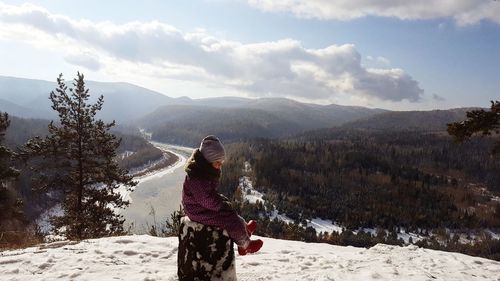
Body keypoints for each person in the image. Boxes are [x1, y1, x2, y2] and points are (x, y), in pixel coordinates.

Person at [182, 135, 263, 255]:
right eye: (218, 162)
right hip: (197, 211)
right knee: (228, 220)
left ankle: (244, 228)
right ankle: (245, 245)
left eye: (221, 162)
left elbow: (208, 194)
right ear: (208, 161)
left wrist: (222, 202)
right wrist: (221, 204)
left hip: (201, 207)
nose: (220, 165)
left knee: (230, 214)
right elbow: (206, 199)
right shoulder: (197, 177)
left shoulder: (204, 170)